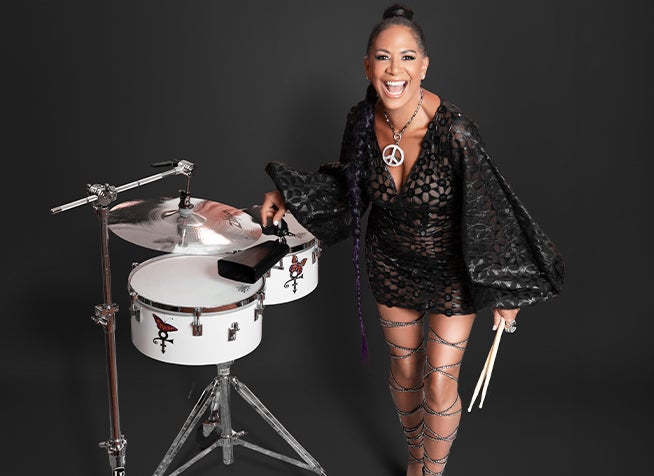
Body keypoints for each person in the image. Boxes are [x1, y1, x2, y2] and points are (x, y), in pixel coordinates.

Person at [260, 4, 564, 476]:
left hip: (452, 270)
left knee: (439, 385)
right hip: (391, 262)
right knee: (405, 374)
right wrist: (288, 194)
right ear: (367, 66)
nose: (394, 70)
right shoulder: (361, 121)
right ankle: (416, 459)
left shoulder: (456, 133)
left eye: (406, 58)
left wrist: (506, 290)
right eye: (383, 58)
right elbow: (348, 187)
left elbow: (490, 206)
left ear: (423, 66)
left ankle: (430, 472)